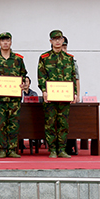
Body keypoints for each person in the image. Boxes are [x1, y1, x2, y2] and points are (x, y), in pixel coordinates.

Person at [0, 32, 27, 159]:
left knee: (14, 123)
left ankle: (12, 148)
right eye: (3, 40)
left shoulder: (18, 59)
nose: (5, 43)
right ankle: (2, 149)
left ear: (11, 42)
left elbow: (23, 75)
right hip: (0, 98)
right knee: (0, 123)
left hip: (14, 99)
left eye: (7, 40)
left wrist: (23, 84)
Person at [37, 30, 78, 159]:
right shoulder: (44, 58)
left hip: (64, 97)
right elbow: (41, 76)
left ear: (63, 40)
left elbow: (73, 77)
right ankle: (52, 150)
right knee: (50, 123)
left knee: (63, 124)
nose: (57, 41)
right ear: (51, 41)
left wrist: (74, 93)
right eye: (55, 39)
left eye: (59, 39)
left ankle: (62, 149)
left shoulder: (69, 58)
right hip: (50, 97)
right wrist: (44, 91)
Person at [62, 36, 80, 156]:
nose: (63, 49)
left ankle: (69, 146)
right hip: (55, 97)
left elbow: (76, 79)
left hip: (68, 96)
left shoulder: (71, 61)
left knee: (70, 121)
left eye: (65, 47)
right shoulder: (49, 59)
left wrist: (77, 94)